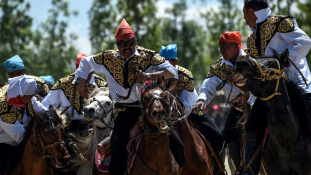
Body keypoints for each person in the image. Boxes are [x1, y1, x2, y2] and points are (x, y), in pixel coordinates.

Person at [76, 18, 182, 175]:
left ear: (135, 41)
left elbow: (171, 71)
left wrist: (147, 76)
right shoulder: (107, 58)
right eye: (122, 44)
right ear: (117, 44)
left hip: (146, 109)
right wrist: (82, 84)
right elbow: (85, 62)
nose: (126, 47)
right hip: (123, 112)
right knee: (118, 152)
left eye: (130, 42)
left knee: (176, 142)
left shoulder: (148, 55)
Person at [242, 0, 311, 174]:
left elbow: (304, 42)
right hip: (268, 92)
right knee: (251, 125)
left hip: (297, 87)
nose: (244, 19)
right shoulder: (250, 40)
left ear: (251, 11)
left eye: (244, 14)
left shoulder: (280, 22)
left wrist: (284, 63)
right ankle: (249, 169)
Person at [192, 31, 254, 174]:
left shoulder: (252, 58)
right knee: (227, 134)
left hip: (256, 104)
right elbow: (208, 87)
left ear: (236, 46)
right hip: (238, 108)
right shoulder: (218, 68)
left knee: (257, 131)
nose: (222, 50)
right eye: (221, 46)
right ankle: (239, 168)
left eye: (226, 46)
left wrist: (240, 78)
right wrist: (201, 100)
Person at [159, 44, 225, 163]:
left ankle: (219, 168)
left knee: (218, 137)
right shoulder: (155, 76)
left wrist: (173, 119)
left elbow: (188, 105)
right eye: (161, 64)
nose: (163, 68)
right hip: (162, 116)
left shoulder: (185, 75)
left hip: (191, 112)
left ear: (175, 62)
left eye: (167, 64)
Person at [41, 53, 108, 135]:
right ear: (77, 69)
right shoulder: (63, 84)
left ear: (92, 70)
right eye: (81, 73)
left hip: (95, 128)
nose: (84, 76)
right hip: (70, 129)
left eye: (87, 72)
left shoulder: (102, 85)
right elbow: (45, 106)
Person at [0, 75, 38, 174]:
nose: (32, 98)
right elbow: (20, 136)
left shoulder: (24, 94)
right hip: (4, 145)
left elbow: (39, 107)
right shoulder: (3, 106)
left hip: (21, 141)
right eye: (30, 96)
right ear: (22, 95)